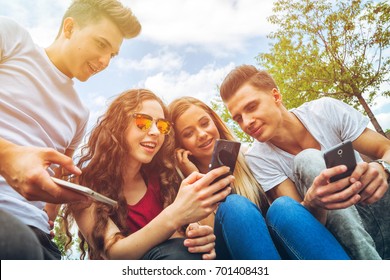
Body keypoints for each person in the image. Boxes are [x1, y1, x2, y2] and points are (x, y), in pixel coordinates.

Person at [0, 0, 141, 260]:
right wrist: (7, 156)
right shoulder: (13, 40)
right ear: (69, 27)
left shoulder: (79, 113)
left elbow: (59, 174)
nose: (104, 61)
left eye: (112, 54)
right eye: (101, 44)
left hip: (38, 234)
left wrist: (54, 210)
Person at [219, 64, 390, 260]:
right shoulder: (258, 159)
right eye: (238, 118)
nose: (247, 122)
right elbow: (299, 223)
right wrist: (312, 202)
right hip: (341, 239)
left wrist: (382, 168)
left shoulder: (325, 110)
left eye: (251, 107)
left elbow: (386, 149)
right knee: (308, 159)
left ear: (275, 96)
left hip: (376, 202)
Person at [168, 96, 350, 260]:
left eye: (205, 123)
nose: (202, 134)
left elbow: (292, 215)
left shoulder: (250, 158)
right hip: (230, 257)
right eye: (188, 133)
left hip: (275, 249)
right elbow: (210, 242)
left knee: (284, 206)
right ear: (179, 144)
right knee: (234, 206)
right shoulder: (179, 187)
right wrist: (196, 180)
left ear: (215, 123)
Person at [63, 89, 231, 260]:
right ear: (117, 125)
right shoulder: (84, 184)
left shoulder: (164, 177)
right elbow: (115, 254)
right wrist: (175, 215)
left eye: (162, 126)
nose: (155, 132)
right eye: (143, 121)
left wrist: (198, 236)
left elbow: (184, 239)